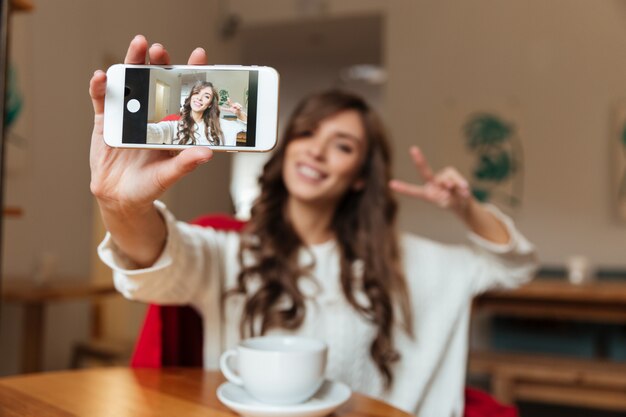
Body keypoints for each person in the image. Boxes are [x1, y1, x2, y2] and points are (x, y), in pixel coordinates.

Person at [89, 35, 537, 417]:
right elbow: (153, 261)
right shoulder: (229, 250)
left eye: (341, 145)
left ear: (361, 175)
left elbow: (513, 267)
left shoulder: (403, 260)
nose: (316, 152)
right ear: (287, 150)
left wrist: (466, 208)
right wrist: (121, 205)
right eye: (306, 133)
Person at [146, 80, 246, 146]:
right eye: (197, 92)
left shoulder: (218, 125)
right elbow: (156, 131)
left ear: (210, 104)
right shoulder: (174, 125)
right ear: (191, 97)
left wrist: (239, 113)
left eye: (206, 96)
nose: (199, 98)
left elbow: (246, 126)